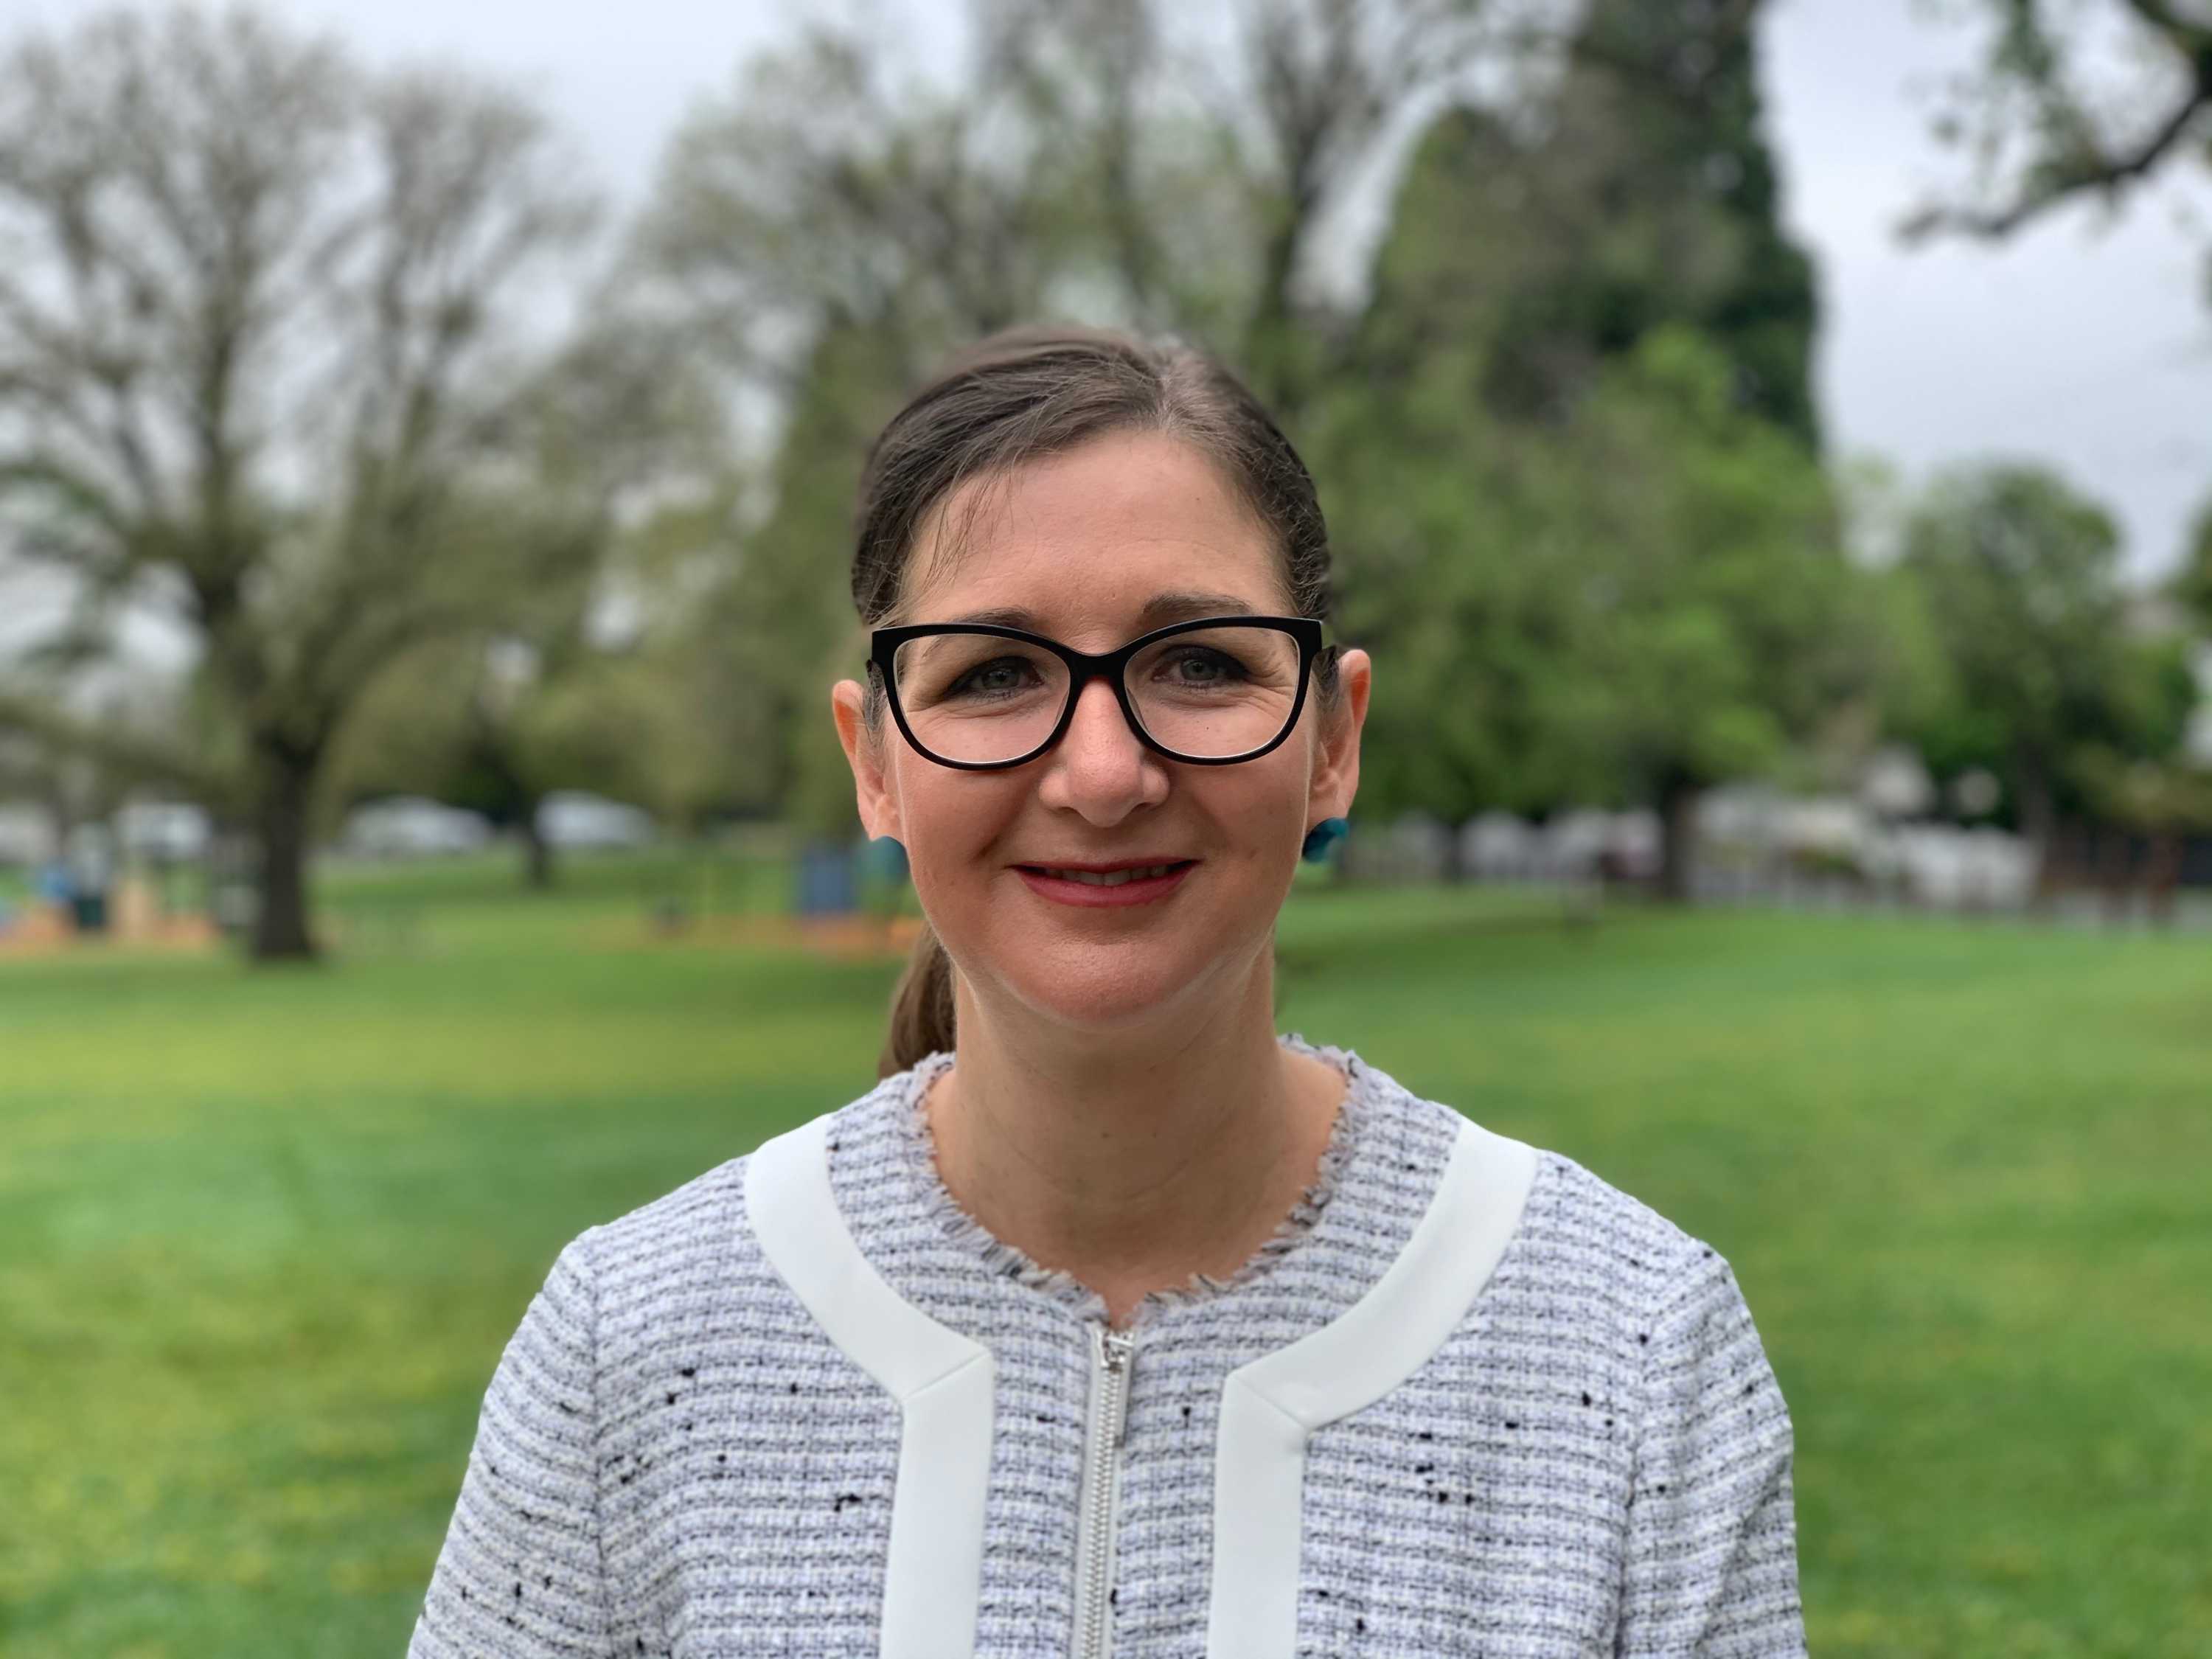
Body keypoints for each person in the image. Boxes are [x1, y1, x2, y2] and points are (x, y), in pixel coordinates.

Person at [407, 325, 1808, 1658]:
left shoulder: (1635, 1349)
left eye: (1197, 662)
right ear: (874, 760)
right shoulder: (628, 1349)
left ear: (1334, 738)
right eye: (994, 672)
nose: (1100, 772)